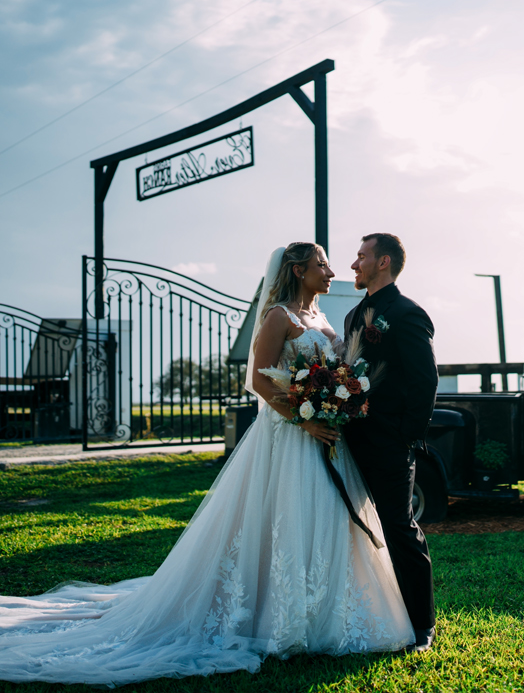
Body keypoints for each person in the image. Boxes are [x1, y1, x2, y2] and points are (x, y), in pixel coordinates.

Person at [0, 242, 415, 682]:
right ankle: (276, 617)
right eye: (322, 265)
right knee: (282, 519)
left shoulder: (324, 319)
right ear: (297, 271)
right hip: (291, 438)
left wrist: (336, 402)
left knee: (328, 521)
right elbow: (259, 378)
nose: (331, 271)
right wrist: (305, 420)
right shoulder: (279, 317)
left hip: (328, 437)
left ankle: (323, 613)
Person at [344, 233, 438, 654]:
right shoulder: (353, 315)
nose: (354, 265)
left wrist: (407, 436)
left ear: (383, 262)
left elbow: (425, 380)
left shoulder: (407, 313)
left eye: (361, 257)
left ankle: (422, 625)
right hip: (348, 441)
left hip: (389, 442)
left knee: (399, 528)